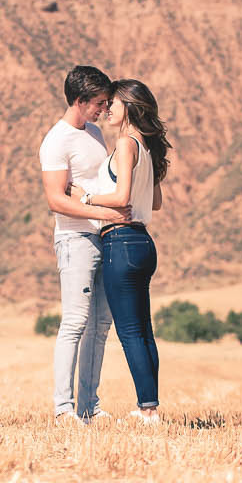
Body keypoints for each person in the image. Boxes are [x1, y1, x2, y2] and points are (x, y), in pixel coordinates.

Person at [39, 65, 128, 424]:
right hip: (75, 239)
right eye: (99, 103)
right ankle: (63, 409)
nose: (104, 110)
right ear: (79, 100)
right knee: (75, 322)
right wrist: (102, 213)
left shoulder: (93, 132)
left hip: (103, 236)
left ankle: (89, 407)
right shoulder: (56, 141)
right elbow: (55, 200)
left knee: (100, 324)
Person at [84, 78, 170, 422]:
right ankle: (150, 405)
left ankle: (147, 411)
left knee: (131, 332)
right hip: (143, 243)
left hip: (120, 242)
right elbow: (156, 202)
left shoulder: (125, 143)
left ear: (130, 108)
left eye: (113, 104)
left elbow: (121, 198)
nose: (107, 109)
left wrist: (85, 197)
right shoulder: (147, 148)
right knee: (144, 331)